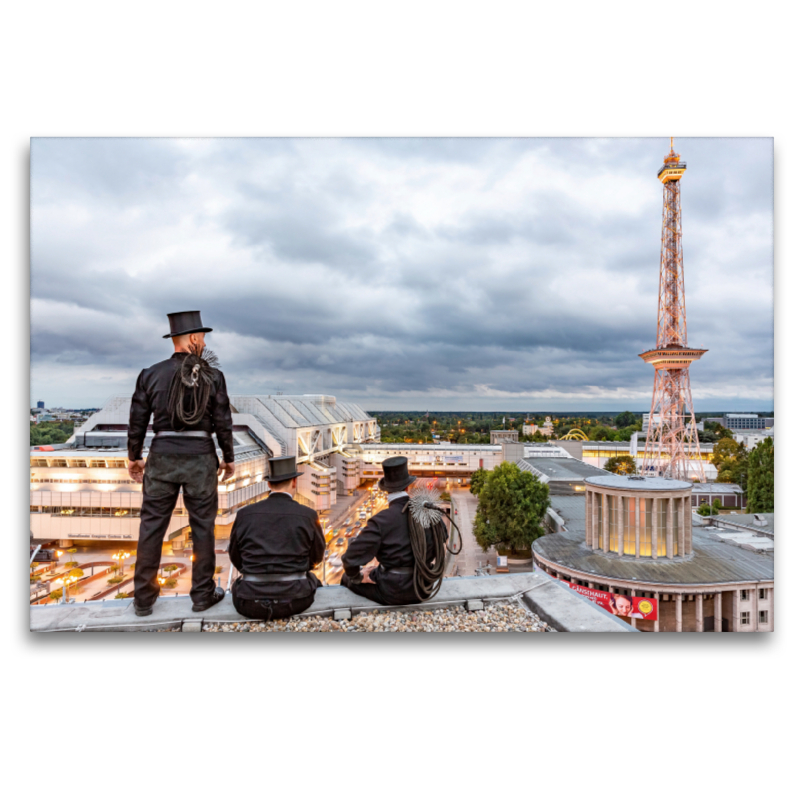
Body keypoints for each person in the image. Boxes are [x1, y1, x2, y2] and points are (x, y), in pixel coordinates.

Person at [127, 311, 235, 616]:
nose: (203, 342)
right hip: (200, 457)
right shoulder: (213, 376)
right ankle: (202, 594)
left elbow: (137, 420)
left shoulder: (150, 374)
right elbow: (223, 421)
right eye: (202, 337)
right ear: (193, 339)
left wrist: (134, 457)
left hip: (161, 455)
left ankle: (143, 600)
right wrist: (228, 458)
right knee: (203, 527)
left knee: (151, 528)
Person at [228, 456, 325, 620]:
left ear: (269, 484)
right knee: (315, 581)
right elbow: (317, 556)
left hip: (249, 602)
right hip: (296, 600)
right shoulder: (308, 515)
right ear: (294, 482)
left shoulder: (244, 514)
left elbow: (235, 555)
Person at [340, 456, 437, 606]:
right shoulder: (427, 512)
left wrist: (358, 576)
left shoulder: (381, 520)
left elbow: (350, 558)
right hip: (424, 587)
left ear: (386, 491)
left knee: (347, 579)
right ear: (408, 487)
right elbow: (441, 539)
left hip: (392, 591)